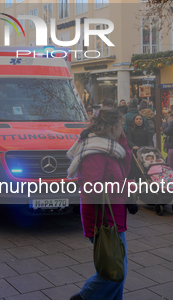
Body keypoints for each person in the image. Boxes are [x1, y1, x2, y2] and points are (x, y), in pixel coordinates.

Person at [66, 108, 133, 300]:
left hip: (112, 213)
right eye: (121, 126)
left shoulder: (111, 147)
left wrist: (123, 141)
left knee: (118, 268)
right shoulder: (96, 151)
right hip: (102, 218)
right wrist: (126, 189)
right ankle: (84, 297)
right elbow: (92, 188)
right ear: (112, 128)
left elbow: (125, 168)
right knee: (114, 272)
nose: (123, 129)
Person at [125, 114, 153, 180]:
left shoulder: (145, 129)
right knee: (134, 167)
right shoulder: (130, 129)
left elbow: (149, 139)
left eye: (140, 119)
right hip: (134, 151)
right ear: (134, 121)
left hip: (144, 151)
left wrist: (150, 147)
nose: (139, 120)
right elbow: (128, 140)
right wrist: (133, 146)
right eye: (137, 119)